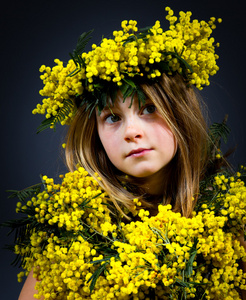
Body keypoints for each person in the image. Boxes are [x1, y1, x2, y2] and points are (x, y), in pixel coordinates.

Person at [14, 6, 246, 300]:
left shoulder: (228, 232)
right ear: (95, 137)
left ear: (181, 116)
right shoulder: (69, 240)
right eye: (112, 117)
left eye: (149, 109)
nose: (131, 131)